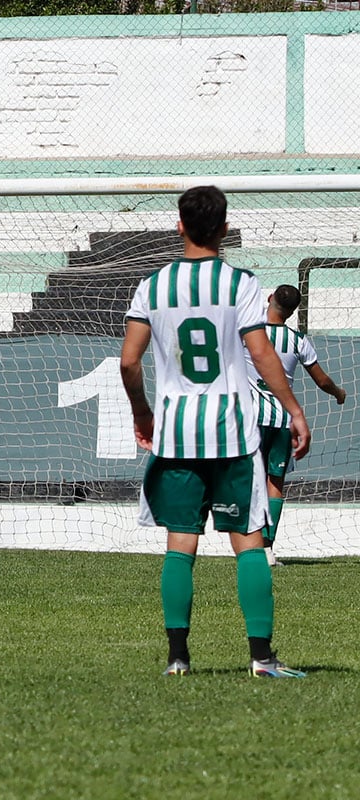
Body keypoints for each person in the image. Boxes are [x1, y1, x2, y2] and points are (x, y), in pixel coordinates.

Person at [119, 186, 311, 679]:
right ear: (224, 229)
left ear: (178, 225)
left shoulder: (152, 286)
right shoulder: (240, 284)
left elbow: (129, 361)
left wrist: (143, 412)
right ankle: (262, 659)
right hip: (231, 432)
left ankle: (178, 659)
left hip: (177, 433)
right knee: (249, 541)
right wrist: (292, 410)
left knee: (180, 544)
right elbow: (263, 353)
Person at [243, 284, 347, 566]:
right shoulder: (297, 340)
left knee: (249, 480)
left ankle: (248, 543)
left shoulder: (248, 334)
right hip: (281, 420)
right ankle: (267, 548)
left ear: (269, 299)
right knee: (275, 482)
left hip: (248, 419)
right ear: (291, 312)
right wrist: (338, 393)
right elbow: (322, 380)